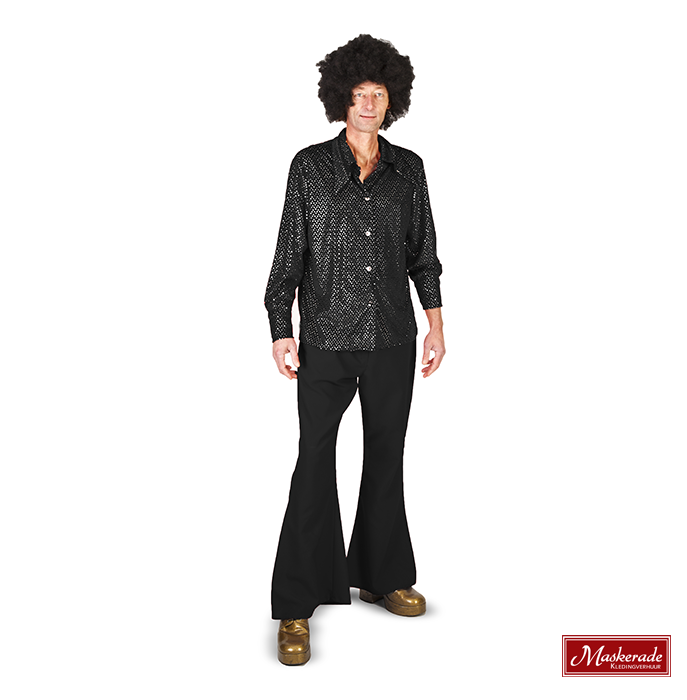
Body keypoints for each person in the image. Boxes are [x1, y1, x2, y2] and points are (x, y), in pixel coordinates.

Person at [263, 34, 445, 666]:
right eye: (359, 93)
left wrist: (436, 324)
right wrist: (281, 329)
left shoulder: (409, 170)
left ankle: (381, 574)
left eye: (379, 93)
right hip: (325, 342)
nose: (369, 103)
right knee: (314, 463)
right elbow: (287, 257)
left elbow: (423, 255)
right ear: (341, 98)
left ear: (392, 101)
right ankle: (295, 604)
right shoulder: (309, 167)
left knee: (386, 458)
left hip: (393, 338)